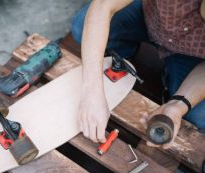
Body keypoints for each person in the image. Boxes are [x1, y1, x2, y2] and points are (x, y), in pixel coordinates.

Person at [71, 0, 205, 149]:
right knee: (82, 26)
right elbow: (102, 6)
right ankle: (124, 56)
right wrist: (91, 92)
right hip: (151, 17)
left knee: (199, 117)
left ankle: (171, 80)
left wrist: (178, 105)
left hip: (190, 55)